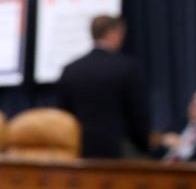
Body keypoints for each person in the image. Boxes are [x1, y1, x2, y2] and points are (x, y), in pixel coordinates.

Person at [54, 15, 150, 159]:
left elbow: (63, 116)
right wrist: (144, 146)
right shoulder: (126, 68)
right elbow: (137, 114)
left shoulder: (71, 69)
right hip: (118, 151)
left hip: (80, 150)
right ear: (113, 33)